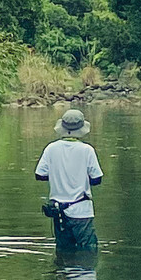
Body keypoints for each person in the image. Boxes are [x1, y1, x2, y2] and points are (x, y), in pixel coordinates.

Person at [35, 107, 103, 252]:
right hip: (82, 212)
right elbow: (97, 179)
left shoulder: (51, 148)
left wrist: (57, 176)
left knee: (63, 251)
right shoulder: (87, 150)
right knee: (89, 252)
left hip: (58, 212)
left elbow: (39, 175)